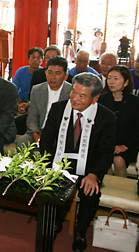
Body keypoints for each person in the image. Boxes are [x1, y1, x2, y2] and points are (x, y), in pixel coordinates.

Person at [40, 73, 115, 252]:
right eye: (74, 92)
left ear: (95, 98)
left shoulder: (106, 117)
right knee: (50, 186)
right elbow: (46, 141)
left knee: (91, 193)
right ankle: (54, 222)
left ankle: (80, 232)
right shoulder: (58, 109)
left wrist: (94, 174)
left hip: (88, 168)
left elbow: (105, 152)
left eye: (82, 96)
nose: (75, 99)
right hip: (59, 163)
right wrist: (49, 166)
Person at [16, 56, 72, 149]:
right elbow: (32, 116)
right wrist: (35, 134)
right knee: (22, 142)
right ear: (45, 73)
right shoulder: (37, 90)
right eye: (50, 72)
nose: (53, 77)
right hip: (39, 130)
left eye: (57, 73)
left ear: (65, 76)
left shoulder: (71, 92)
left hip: (61, 134)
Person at [98, 65, 139, 177]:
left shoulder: (135, 102)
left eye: (116, 79)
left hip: (127, 145)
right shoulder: (102, 100)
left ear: (125, 82)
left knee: (118, 160)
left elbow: (137, 129)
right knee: (104, 163)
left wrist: (125, 146)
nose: (111, 82)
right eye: (109, 78)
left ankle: (120, 190)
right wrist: (108, 145)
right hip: (105, 144)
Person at [12, 47, 44, 113]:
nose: (35, 60)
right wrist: (18, 105)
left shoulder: (44, 73)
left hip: (38, 101)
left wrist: (28, 104)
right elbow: (13, 90)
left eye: (38, 58)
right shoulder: (21, 71)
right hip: (22, 100)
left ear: (42, 60)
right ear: (28, 59)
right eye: (33, 57)